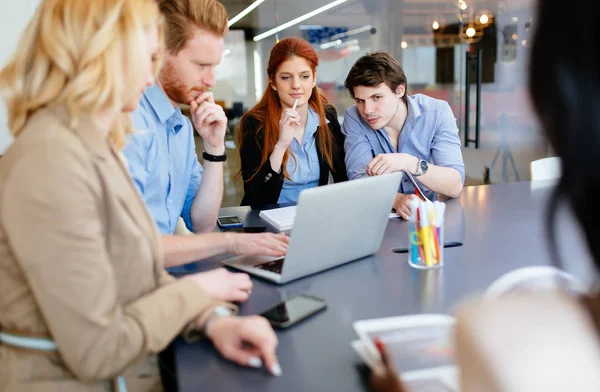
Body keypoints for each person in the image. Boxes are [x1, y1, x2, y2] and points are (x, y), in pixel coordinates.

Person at [0, 1, 280, 392]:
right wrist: (202, 291)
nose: (151, 78)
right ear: (101, 59)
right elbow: (98, 349)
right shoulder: (50, 161)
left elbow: (134, 267)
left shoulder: (90, 145)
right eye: (146, 58)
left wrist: (212, 320)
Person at [370, 0, 600, 392]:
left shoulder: (498, 339)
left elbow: (455, 183)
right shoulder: (358, 121)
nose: (368, 108)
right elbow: (362, 175)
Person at [122, 0, 289, 269]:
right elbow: (133, 249)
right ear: (159, 54)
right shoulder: (129, 122)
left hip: (162, 276)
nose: (211, 80)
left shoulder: (181, 128)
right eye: (201, 65)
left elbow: (202, 223)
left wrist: (214, 147)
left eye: (215, 66)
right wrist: (230, 243)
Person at [342, 52, 464, 220]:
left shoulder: (437, 112)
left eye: (376, 97)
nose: (367, 110)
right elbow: (359, 180)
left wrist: (409, 162)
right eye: (360, 100)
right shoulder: (354, 116)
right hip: (379, 217)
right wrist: (397, 200)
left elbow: (455, 185)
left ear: (400, 90)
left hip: (431, 219)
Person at [237, 37, 347, 208]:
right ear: (273, 82)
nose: (296, 85)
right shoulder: (255, 123)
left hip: (315, 214)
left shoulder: (327, 116)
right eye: (286, 77)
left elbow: (343, 175)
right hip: (271, 219)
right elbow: (256, 196)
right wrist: (281, 145)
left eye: (304, 76)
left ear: (313, 79)